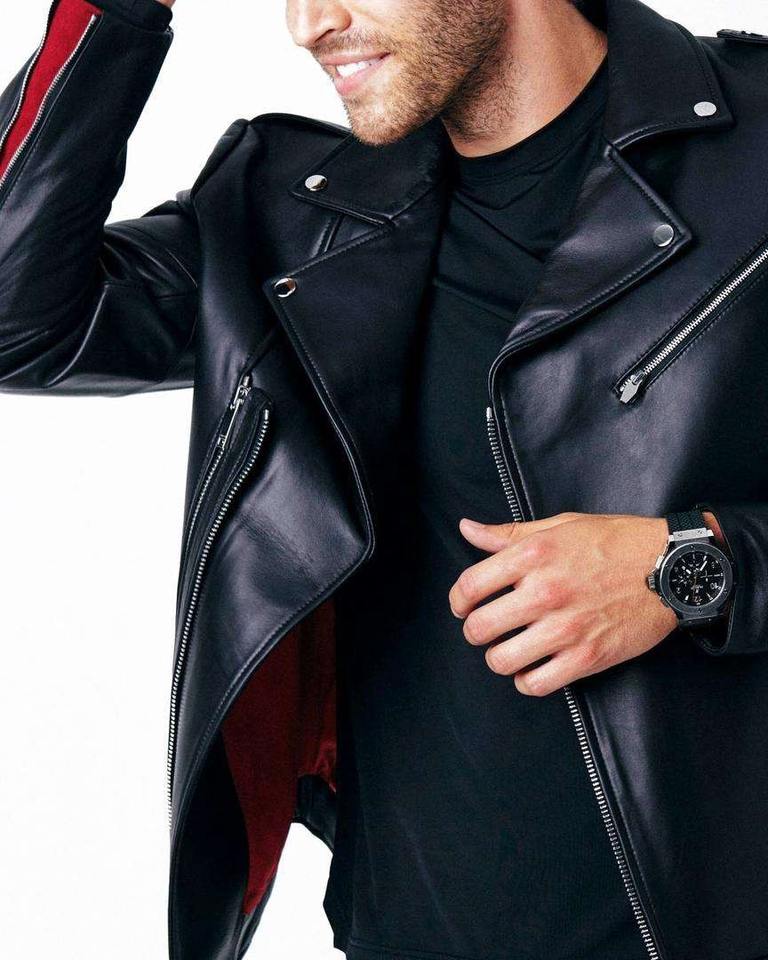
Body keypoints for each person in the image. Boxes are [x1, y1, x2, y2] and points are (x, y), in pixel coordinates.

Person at [0, 0, 767, 958]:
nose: (309, 22)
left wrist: (693, 567)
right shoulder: (300, 213)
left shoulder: (751, 148)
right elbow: (19, 321)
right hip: (398, 930)